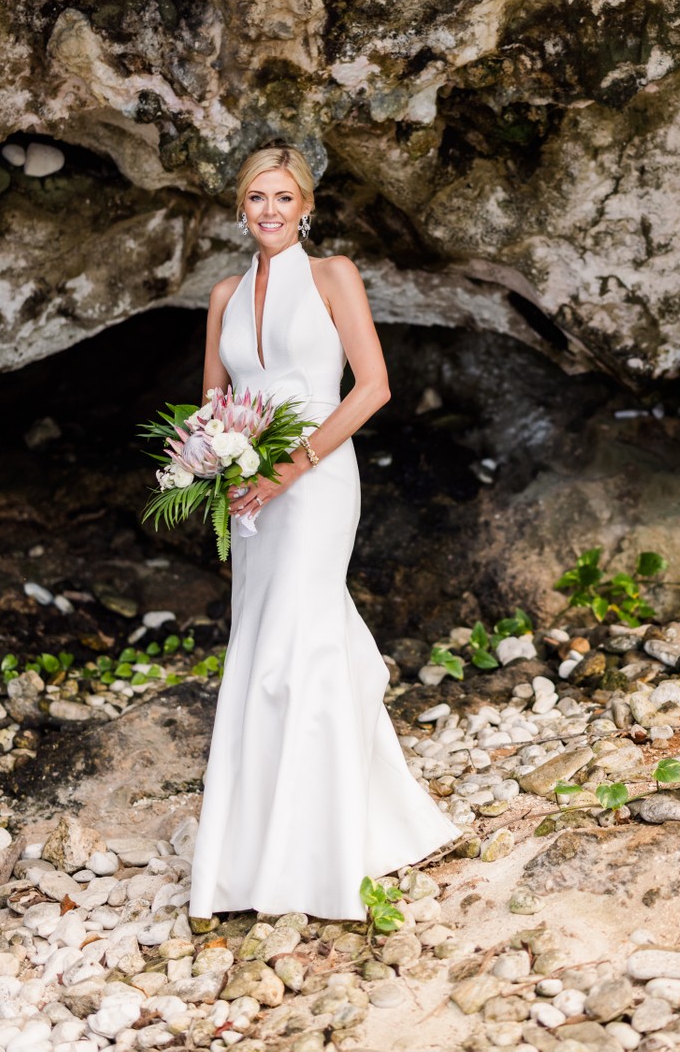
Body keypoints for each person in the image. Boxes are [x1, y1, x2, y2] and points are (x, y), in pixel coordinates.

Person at [187, 145, 459, 922]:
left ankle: (315, 856)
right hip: (250, 494)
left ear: (306, 206)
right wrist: (214, 461)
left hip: (318, 477)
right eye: (255, 198)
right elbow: (214, 398)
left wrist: (294, 465)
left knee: (298, 645)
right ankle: (264, 848)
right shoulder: (223, 295)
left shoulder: (334, 274)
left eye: (283, 197)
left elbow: (373, 386)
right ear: (240, 209)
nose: (269, 210)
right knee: (262, 645)